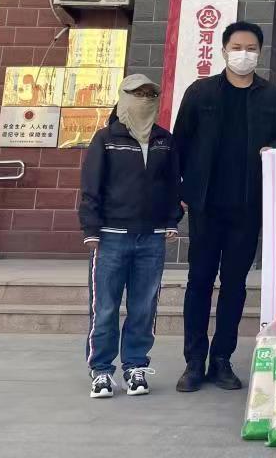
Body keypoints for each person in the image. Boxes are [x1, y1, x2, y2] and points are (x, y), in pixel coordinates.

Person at [173, 20, 276, 393]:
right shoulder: (201, 92)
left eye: (251, 48)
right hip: (206, 205)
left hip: (248, 206)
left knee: (235, 285)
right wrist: (180, 191)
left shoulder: (272, 98)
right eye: (237, 47)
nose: (244, 54)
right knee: (199, 281)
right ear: (223, 50)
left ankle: (222, 359)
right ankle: (194, 361)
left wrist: (274, 151)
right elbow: (180, 144)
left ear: (260, 52)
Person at [79, 74, 181, 399]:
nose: (144, 100)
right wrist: (90, 229)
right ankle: (101, 371)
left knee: (144, 307)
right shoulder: (106, 139)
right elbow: (91, 185)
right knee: (105, 307)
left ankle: (135, 367)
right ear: (123, 98)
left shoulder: (164, 140)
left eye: (150, 94)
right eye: (137, 94)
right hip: (111, 236)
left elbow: (172, 185)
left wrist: (171, 221)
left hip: (151, 237)